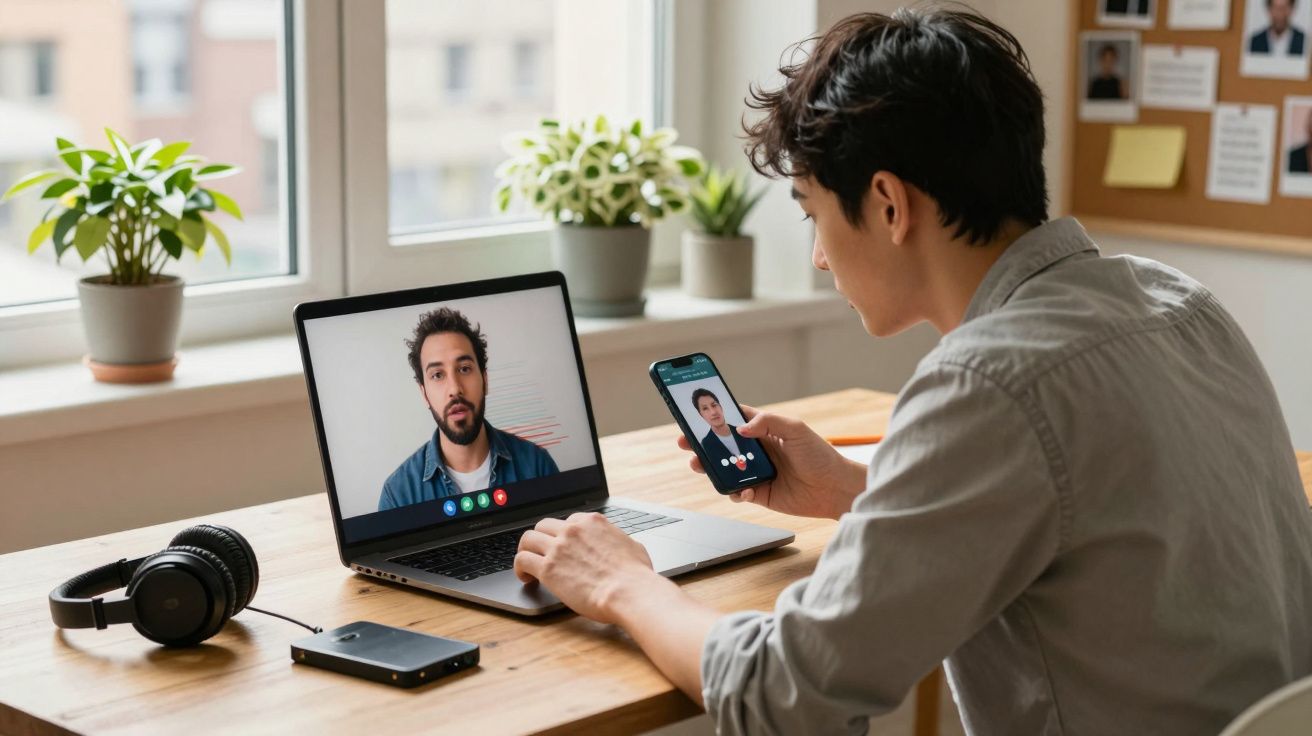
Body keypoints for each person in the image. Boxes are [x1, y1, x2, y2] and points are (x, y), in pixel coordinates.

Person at [512, 7, 1312, 734]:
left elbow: (787, 693)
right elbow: (1085, 520)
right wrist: (858, 493)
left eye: (813, 214)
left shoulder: (987, 382)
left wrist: (624, 585)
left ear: (890, 204)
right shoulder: (1180, 302)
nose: (820, 256)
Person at [378, 307, 558, 511]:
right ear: (424, 394)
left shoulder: (538, 467)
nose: (455, 389)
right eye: (437, 375)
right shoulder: (398, 495)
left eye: (464, 369)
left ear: (485, 380)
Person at [690, 388, 771, 479]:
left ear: (721, 407)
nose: (713, 412)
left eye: (714, 405)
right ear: (701, 415)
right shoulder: (706, 445)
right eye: (705, 409)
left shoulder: (744, 431)